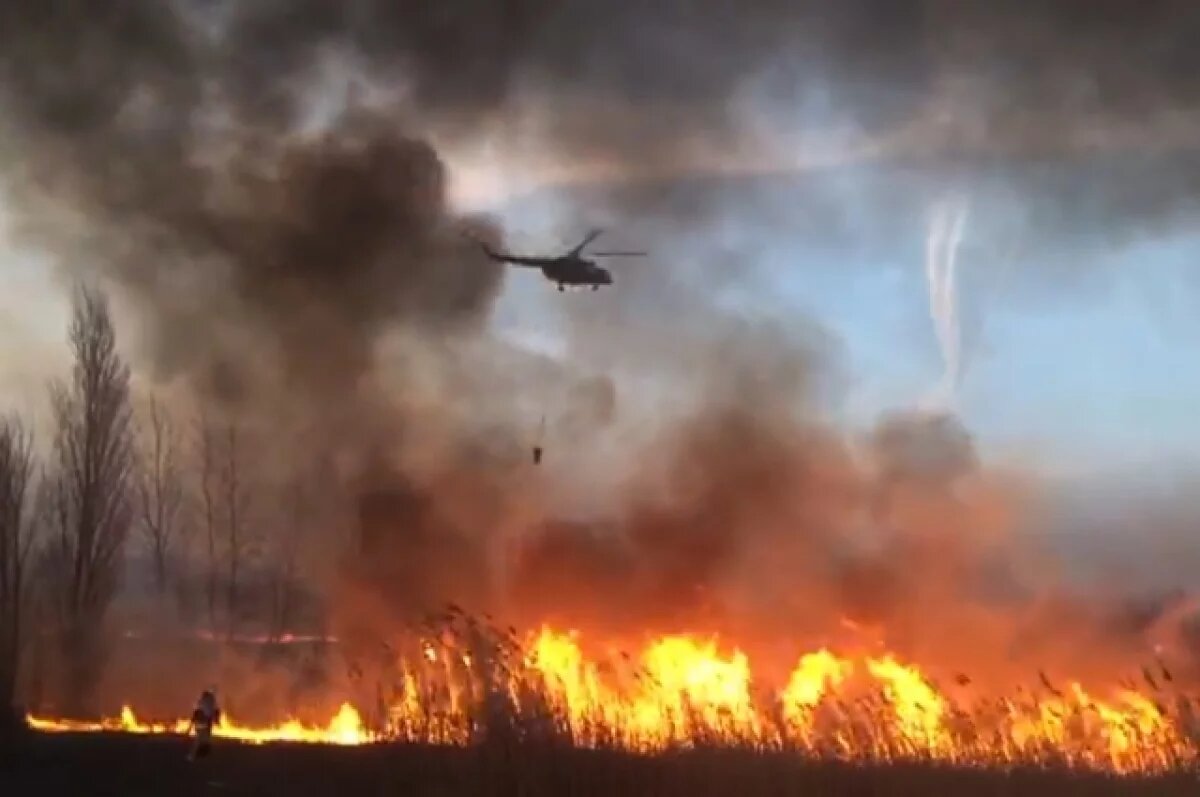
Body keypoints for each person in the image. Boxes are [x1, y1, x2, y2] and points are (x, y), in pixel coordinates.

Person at [186, 689, 221, 761]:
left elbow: (196, 715)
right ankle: (196, 755)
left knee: (200, 740)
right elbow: (214, 713)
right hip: (204, 725)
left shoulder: (202, 704)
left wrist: (189, 729)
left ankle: (196, 755)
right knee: (201, 739)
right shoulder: (208, 704)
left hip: (203, 725)